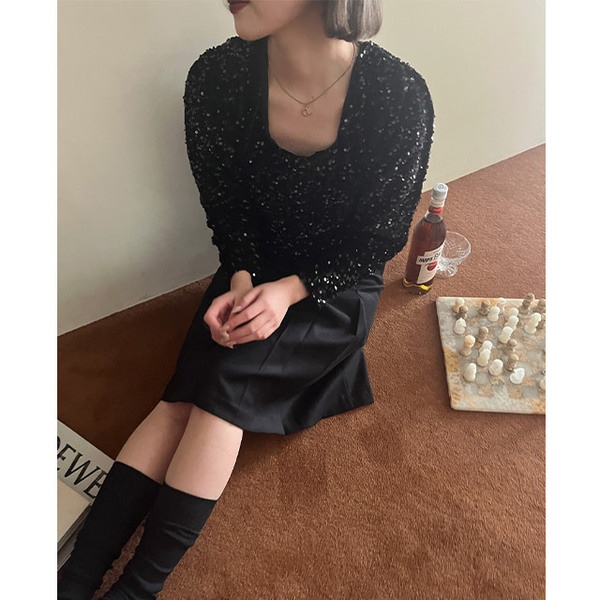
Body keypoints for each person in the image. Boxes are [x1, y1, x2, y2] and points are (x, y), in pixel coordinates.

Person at [58, 0, 434, 598]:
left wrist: (288, 292)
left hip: (333, 287)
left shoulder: (399, 94)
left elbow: (380, 237)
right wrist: (240, 279)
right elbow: (226, 207)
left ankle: (137, 589)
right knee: (180, 398)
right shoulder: (217, 76)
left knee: (218, 394)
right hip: (251, 266)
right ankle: (73, 579)